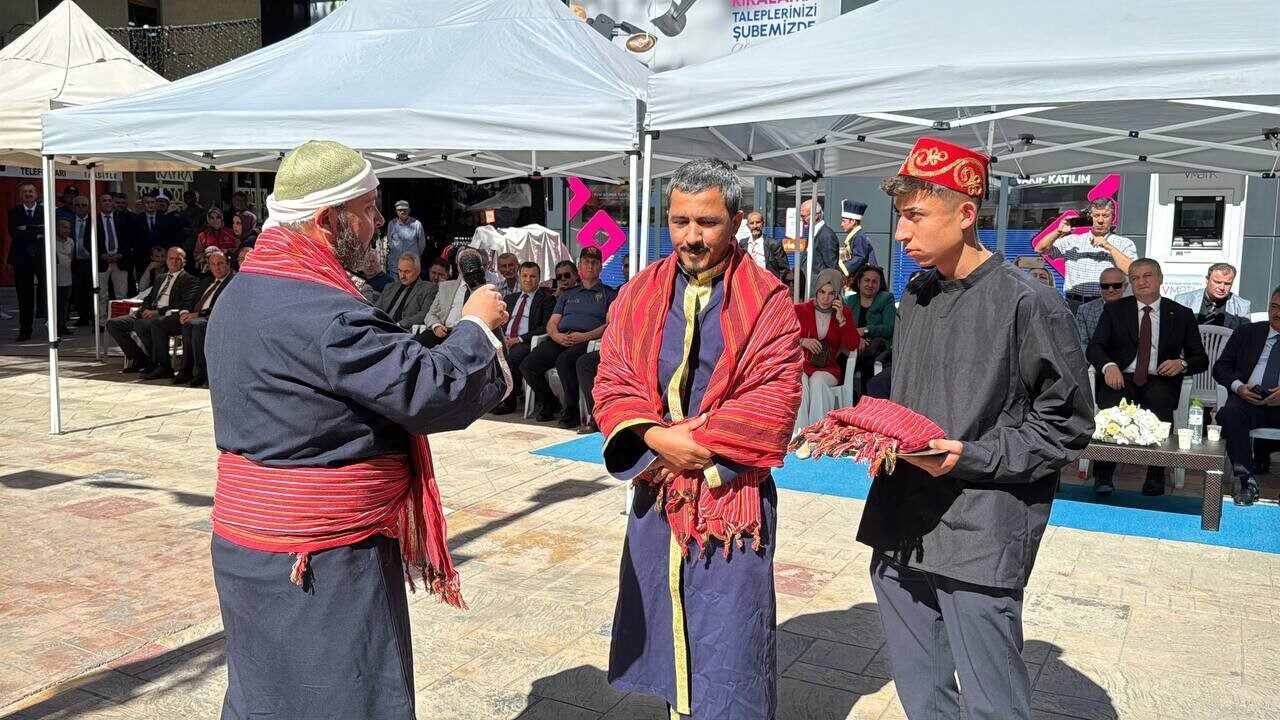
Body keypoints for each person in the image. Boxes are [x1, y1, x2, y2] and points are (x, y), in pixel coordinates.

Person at [206, 140, 510, 719]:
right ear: (327, 219)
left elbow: (340, 377)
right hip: (323, 555)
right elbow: (430, 394)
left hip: (250, 546)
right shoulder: (325, 311)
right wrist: (476, 328)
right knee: (347, 695)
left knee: (267, 695)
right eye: (368, 210)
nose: (377, 225)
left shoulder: (243, 290)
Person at [857, 138, 1094, 720]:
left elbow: (1067, 424)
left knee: (992, 703)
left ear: (966, 214)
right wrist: (873, 425)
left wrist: (971, 455)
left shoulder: (1029, 303)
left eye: (916, 217)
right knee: (921, 690)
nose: (903, 234)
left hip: (982, 526)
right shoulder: (915, 295)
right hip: (900, 518)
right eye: (900, 219)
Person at [593, 158, 802, 720]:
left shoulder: (768, 301)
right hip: (657, 490)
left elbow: (774, 399)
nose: (691, 236)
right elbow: (612, 379)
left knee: (728, 638)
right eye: (680, 221)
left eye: (706, 222)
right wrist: (656, 438)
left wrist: (690, 445)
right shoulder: (639, 293)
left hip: (730, 502)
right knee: (667, 628)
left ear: (735, 221)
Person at [1086, 258, 1208, 496]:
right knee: (1113, 403)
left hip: (1159, 379)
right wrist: (1108, 366)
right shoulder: (1115, 309)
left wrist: (1181, 363)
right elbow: (1095, 347)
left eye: (1147, 275)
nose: (1141, 282)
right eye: (1135, 278)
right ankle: (1103, 475)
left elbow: (1200, 358)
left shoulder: (1181, 314)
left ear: (1160, 279)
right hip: (1121, 376)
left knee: (1160, 402)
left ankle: (1155, 474)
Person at [520, 246, 616, 427]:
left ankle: (571, 409)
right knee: (528, 365)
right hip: (561, 338)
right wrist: (555, 335)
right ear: (579, 265)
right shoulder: (568, 295)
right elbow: (552, 322)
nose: (590, 266)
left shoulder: (609, 294)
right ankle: (550, 402)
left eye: (594, 263)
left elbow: (609, 325)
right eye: (586, 262)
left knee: (564, 361)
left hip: (588, 341)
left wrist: (585, 336)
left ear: (600, 267)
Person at [1211, 288, 1280, 506]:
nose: (1277, 313)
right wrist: (1239, 387)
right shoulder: (1247, 332)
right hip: (1249, 399)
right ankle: (1246, 480)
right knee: (1230, 414)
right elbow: (1221, 367)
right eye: (1274, 307)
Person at [106, 247, 199, 377]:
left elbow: (185, 304)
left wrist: (157, 312)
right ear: (166, 261)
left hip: (167, 316)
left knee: (142, 325)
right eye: (171, 258)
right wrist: (144, 310)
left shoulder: (189, 280)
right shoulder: (160, 278)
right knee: (113, 324)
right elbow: (148, 299)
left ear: (184, 262)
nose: (174, 261)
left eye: (178, 259)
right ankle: (139, 358)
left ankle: (159, 364)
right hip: (148, 314)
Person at [1034, 197, 1137, 311]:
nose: (1100, 220)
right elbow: (1040, 249)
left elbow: (1131, 270)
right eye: (1096, 215)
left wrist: (1109, 247)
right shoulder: (1072, 241)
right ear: (1089, 217)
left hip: (1105, 303)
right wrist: (1058, 232)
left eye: (1105, 216)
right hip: (1072, 303)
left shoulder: (1123, 243)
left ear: (1113, 218)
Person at [795, 268, 859, 426]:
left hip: (827, 368)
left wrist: (841, 320)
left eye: (831, 294)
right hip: (802, 365)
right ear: (816, 291)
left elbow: (853, 344)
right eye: (822, 292)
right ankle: (798, 433)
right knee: (799, 380)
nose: (825, 298)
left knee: (817, 380)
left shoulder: (844, 312)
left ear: (837, 295)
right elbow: (784, 337)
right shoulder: (800, 310)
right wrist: (803, 341)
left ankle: (817, 431)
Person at [491, 261, 555, 416]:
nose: (528, 279)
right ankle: (490, 398)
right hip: (505, 340)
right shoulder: (511, 298)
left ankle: (509, 401)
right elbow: (499, 321)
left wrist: (518, 339)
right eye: (524, 276)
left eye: (532, 276)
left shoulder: (546, 299)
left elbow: (544, 327)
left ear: (539, 278)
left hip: (526, 342)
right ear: (519, 277)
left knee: (511, 359)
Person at [174, 250, 233, 387]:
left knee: (196, 326)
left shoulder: (232, 281)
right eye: (212, 264)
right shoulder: (206, 280)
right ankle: (187, 369)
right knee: (188, 324)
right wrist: (184, 312)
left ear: (228, 264)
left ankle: (202, 373)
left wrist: (198, 314)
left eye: (220, 264)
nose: (217, 268)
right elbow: (192, 300)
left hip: (216, 318)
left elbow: (223, 306)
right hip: (196, 317)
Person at [847, 264, 895, 394]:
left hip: (877, 348)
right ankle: (847, 400)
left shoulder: (886, 299)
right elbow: (844, 326)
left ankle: (865, 403)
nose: (870, 284)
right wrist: (857, 338)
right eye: (866, 280)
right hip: (853, 346)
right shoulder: (850, 301)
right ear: (859, 281)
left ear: (880, 284)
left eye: (875, 281)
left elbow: (890, 328)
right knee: (841, 363)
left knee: (867, 365)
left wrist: (866, 330)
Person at [7, 182, 45, 341]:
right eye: (25, 192)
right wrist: (36, 230)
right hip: (22, 258)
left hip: (42, 257)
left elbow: (48, 229)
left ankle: (56, 327)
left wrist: (27, 228)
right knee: (24, 296)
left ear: (36, 193)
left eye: (31, 191)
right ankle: (25, 329)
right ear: (20, 195)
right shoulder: (13, 212)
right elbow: (14, 232)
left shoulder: (45, 210)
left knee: (48, 293)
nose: (28, 194)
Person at [1174, 262, 1250, 330]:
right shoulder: (1183, 301)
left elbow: (1246, 336)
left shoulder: (1242, 306)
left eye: (1227, 284)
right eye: (1217, 282)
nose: (1222, 288)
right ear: (1207, 280)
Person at [374, 251, 438, 329]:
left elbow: (425, 314)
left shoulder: (429, 288)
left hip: (403, 330)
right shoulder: (389, 287)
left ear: (418, 271)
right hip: (380, 327)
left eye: (407, 272)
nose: (402, 276)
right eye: (400, 271)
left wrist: (400, 324)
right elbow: (376, 309)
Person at [1074, 267, 1128, 353]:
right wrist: (1101, 363)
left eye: (1116, 286)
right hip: (1095, 363)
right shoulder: (1084, 310)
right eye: (1105, 286)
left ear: (1125, 286)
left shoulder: (1136, 308)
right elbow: (1081, 344)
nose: (1111, 290)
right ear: (1100, 287)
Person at [739, 210, 788, 278]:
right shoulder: (742, 243)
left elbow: (784, 268)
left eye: (758, 222)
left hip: (768, 284)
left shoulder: (774, 244)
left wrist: (776, 285)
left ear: (763, 224)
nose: (755, 226)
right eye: (752, 223)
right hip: (749, 282)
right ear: (747, 226)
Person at [837, 199, 877, 277]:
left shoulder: (859, 237)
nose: (841, 224)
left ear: (853, 221)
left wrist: (843, 267)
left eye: (844, 221)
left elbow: (859, 257)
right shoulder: (857, 235)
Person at [803, 198, 840, 277]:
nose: (802, 220)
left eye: (803, 216)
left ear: (816, 216)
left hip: (819, 286)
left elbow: (831, 268)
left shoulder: (827, 235)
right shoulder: (812, 233)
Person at [385, 200, 426, 272]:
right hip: (395, 265)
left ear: (409, 210)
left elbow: (421, 244)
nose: (402, 212)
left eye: (405, 210)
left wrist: (415, 256)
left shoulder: (416, 224)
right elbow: (390, 241)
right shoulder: (392, 224)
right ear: (396, 211)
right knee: (394, 283)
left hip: (411, 265)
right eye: (400, 210)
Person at [53, 218, 74, 337]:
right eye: (64, 227)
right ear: (57, 228)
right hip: (54, 278)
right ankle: (53, 326)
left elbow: (72, 257)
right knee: (54, 303)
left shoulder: (71, 241)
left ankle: (62, 325)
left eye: (69, 228)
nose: (67, 230)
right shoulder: (50, 240)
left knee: (64, 303)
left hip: (67, 277)